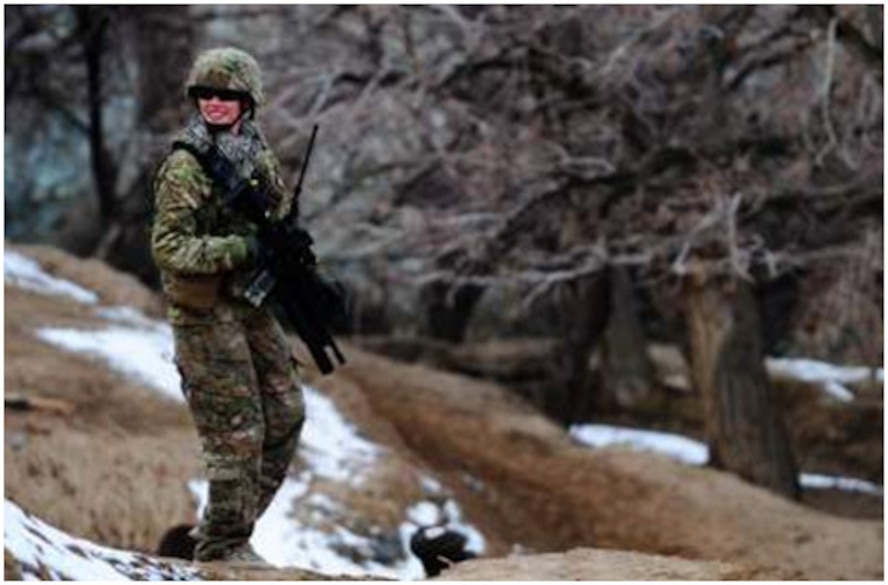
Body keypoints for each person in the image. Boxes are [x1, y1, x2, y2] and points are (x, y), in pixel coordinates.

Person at [151, 47, 305, 565]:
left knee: (285, 415)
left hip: (248, 303)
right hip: (203, 312)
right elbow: (168, 247)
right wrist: (239, 250)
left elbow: (275, 221)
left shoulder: (257, 155)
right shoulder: (186, 165)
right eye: (206, 94)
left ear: (248, 102)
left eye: (228, 95)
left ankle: (223, 531)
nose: (215, 103)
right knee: (236, 432)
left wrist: (290, 250)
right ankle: (223, 546)